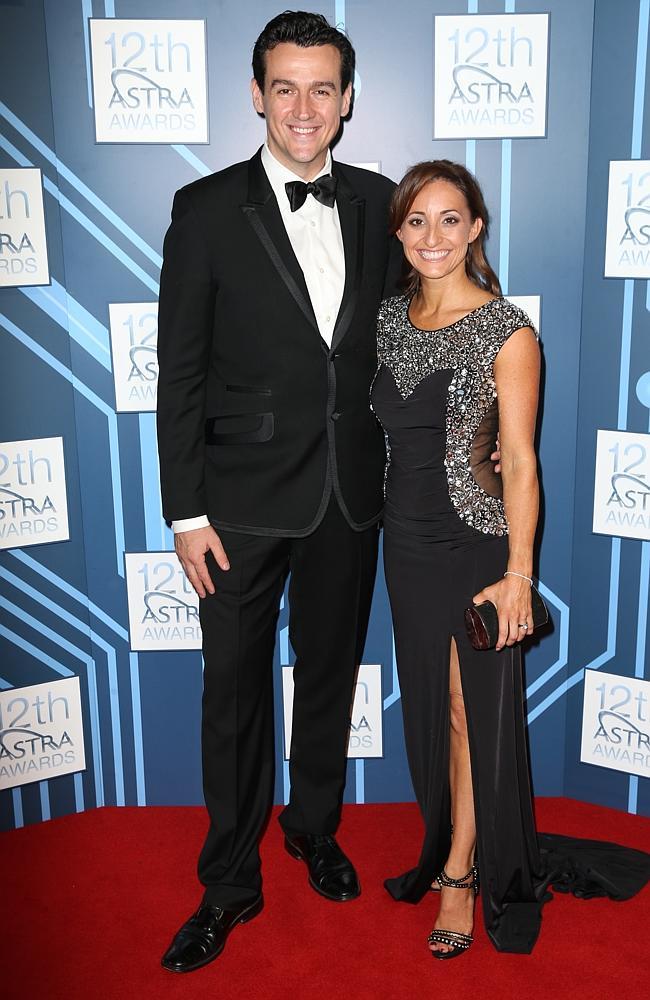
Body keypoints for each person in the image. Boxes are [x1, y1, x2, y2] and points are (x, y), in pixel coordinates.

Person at [156, 11, 401, 973]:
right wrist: (185, 510)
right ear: (257, 95)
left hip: (351, 496)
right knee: (233, 696)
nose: (305, 108)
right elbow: (179, 372)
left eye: (324, 88)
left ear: (346, 100)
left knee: (331, 681)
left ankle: (313, 829)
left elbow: (402, 349)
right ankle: (227, 883)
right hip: (239, 503)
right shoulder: (206, 206)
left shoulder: (383, 205)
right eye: (285, 87)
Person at [371, 160, 544, 957]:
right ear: (400, 232)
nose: (431, 236)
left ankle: (462, 876)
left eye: (450, 219)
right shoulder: (385, 321)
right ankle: (449, 844)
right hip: (402, 547)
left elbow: (519, 457)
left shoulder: (507, 329)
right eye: (416, 220)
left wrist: (518, 574)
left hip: (475, 546)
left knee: (471, 711)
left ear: (475, 228)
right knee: (435, 710)